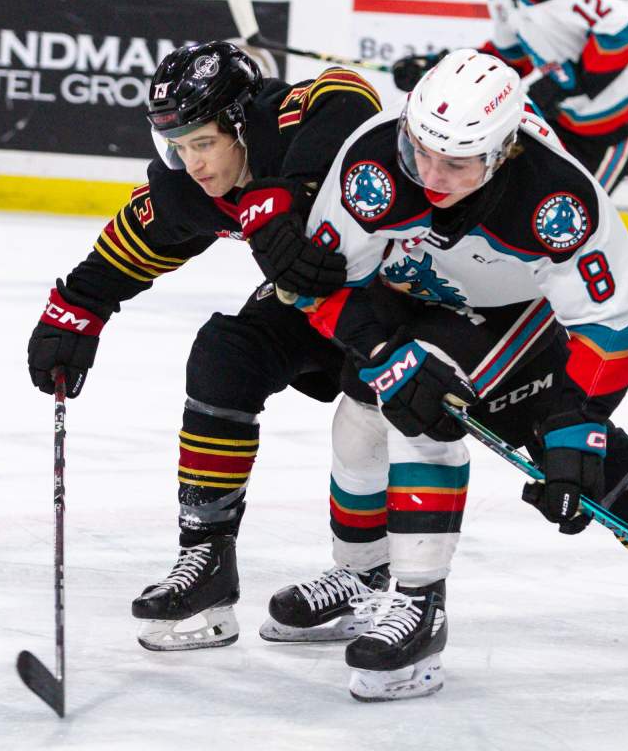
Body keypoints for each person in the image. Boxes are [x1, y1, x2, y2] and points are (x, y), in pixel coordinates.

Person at [256, 49, 628, 701]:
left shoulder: (556, 197)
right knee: (363, 412)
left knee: (567, 452)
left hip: (519, 309)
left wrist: (576, 426)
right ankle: (366, 579)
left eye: (456, 163)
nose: (428, 173)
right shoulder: (372, 161)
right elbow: (323, 282)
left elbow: (616, 317)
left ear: (503, 151)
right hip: (418, 292)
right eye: (420, 149)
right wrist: (375, 348)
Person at [26, 41, 382, 651]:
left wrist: (283, 198)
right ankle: (208, 564)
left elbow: (350, 91)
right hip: (314, 301)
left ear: (242, 125)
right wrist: (78, 309)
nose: (192, 163)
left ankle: (370, 575)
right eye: (179, 146)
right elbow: (140, 238)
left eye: (205, 142)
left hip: (403, 298)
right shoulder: (193, 186)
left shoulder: (287, 122)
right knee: (225, 355)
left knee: (365, 410)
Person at [389, 0, 628, 193]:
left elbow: (623, 29)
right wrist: (443, 71)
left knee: (576, 207)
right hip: (570, 119)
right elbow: (510, 57)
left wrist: (573, 82)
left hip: (620, 122)